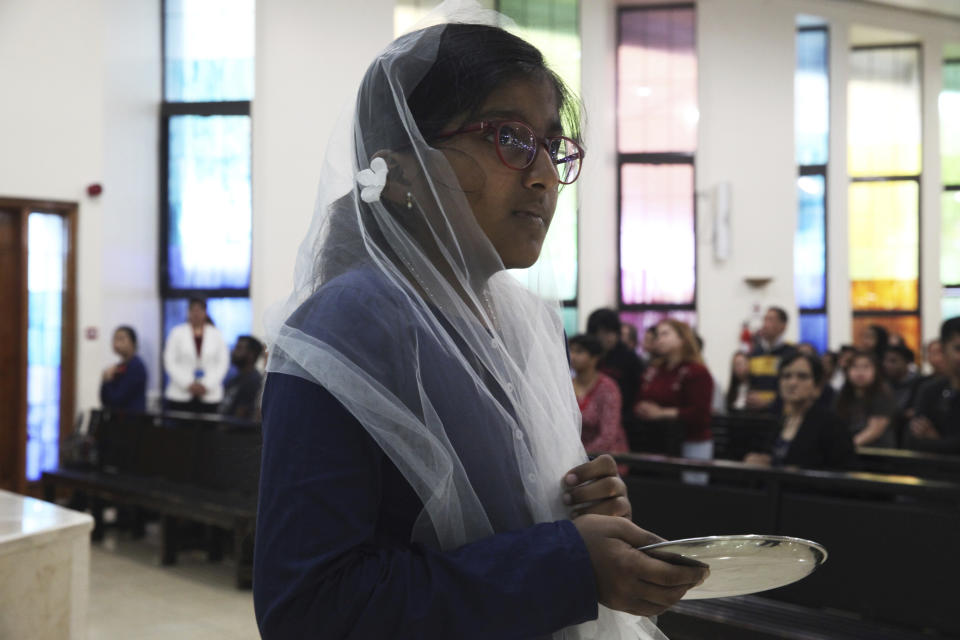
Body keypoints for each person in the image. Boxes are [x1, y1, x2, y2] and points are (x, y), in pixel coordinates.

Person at [254, 15, 706, 640]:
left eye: (553, 146)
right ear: (403, 170)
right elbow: (309, 609)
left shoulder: (524, 323)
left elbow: (500, 519)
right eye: (511, 138)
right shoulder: (348, 323)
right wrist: (567, 563)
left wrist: (579, 512)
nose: (545, 175)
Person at [743, 353, 854, 470]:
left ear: (817, 387)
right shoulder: (780, 421)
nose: (792, 383)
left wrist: (799, 472)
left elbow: (843, 473)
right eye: (786, 376)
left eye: (802, 377)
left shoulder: (832, 425)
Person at [635, 319, 714, 470]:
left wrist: (661, 413)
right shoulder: (655, 369)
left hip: (691, 441)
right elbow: (642, 395)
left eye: (665, 334)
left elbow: (700, 413)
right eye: (658, 335)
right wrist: (641, 407)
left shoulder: (697, 371)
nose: (659, 339)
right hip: (658, 440)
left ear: (682, 339)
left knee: (690, 491)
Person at [163, 297, 229, 413]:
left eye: (199, 310)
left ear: (205, 312)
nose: (196, 314)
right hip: (181, 393)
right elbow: (169, 361)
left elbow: (223, 363)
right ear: (188, 312)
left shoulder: (216, 334)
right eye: (193, 310)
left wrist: (206, 385)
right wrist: (188, 383)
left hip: (210, 394)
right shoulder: (177, 332)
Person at [569, 334, 629, 462]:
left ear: (594, 358)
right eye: (571, 350)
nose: (572, 356)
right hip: (573, 456)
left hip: (606, 458)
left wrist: (581, 456)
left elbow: (608, 435)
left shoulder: (607, 387)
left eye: (579, 351)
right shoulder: (566, 385)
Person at [904, 317, 960, 454]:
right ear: (944, 350)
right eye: (958, 349)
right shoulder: (930, 390)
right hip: (932, 471)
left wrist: (936, 440)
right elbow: (913, 439)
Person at [587, 308, 643, 425]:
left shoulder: (629, 358)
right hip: (591, 419)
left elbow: (637, 391)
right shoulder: (589, 357)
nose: (607, 338)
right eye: (600, 334)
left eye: (610, 332)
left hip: (623, 420)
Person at [834, 352, 897, 448]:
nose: (860, 372)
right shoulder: (842, 395)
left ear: (876, 370)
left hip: (876, 453)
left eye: (866, 367)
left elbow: (875, 430)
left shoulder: (883, 394)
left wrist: (846, 446)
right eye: (855, 367)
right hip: (848, 450)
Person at [746, 306, 797, 412]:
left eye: (771, 320)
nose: (765, 325)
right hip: (757, 416)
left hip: (781, 415)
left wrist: (768, 403)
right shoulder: (755, 352)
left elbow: (792, 387)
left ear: (783, 326)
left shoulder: (792, 353)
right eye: (764, 319)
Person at [99, 325, 147, 412]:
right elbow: (105, 400)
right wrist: (105, 380)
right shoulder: (119, 366)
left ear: (133, 343)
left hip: (130, 420)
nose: (116, 343)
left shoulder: (136, 367)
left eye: (121, 339)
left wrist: (108, 380)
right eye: (115, 339)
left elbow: (116, 399)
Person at [219, 336, 264, 420]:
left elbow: (240, 416)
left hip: (237, 431)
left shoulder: (253, 381)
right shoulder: (234, 379)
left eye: (238, 348)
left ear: (251, 355)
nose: (233, 352)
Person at [883, 344, 920, 426]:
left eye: (893, 361)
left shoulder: (920, 384)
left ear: (907, 362)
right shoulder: (883, 384)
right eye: (885, 361)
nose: (886, 365)